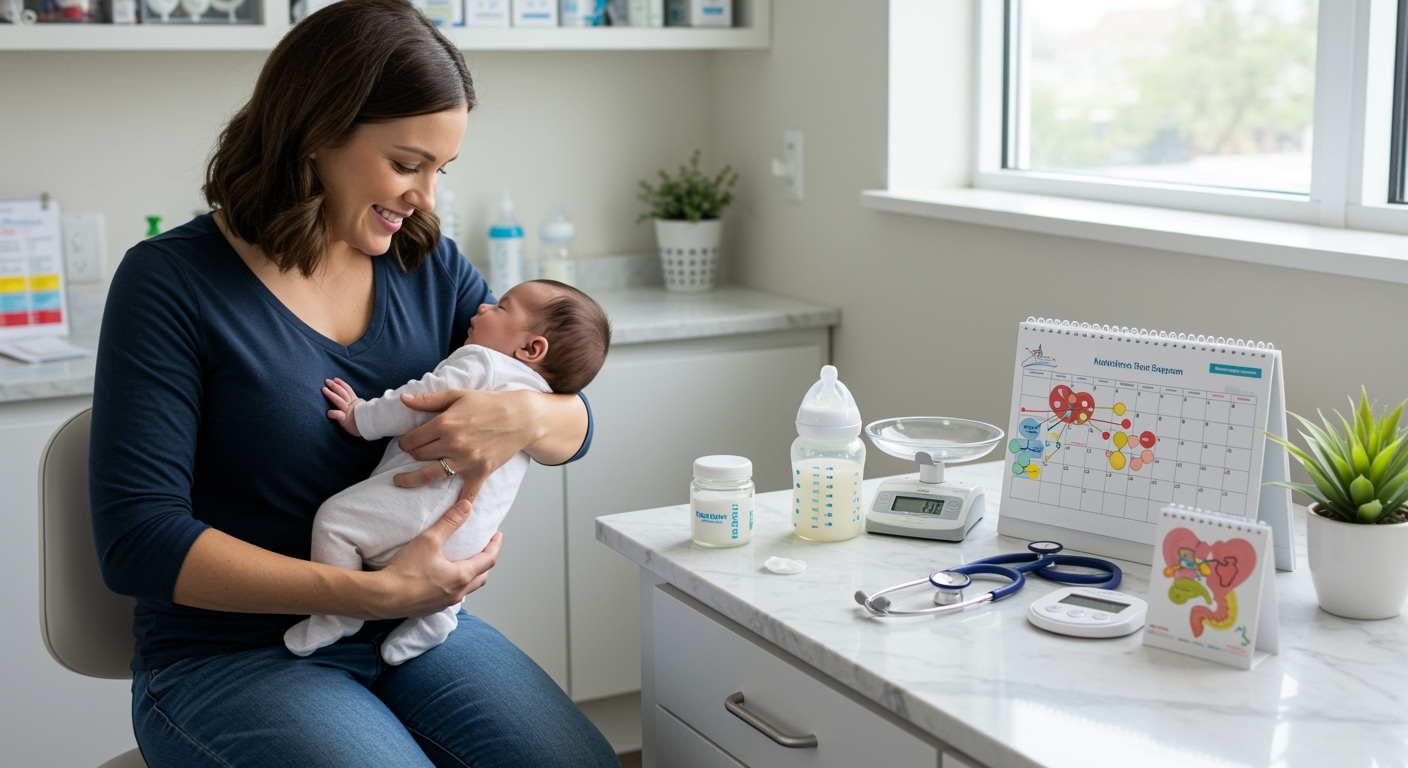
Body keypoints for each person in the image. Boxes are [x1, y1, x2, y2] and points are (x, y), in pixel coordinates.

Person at [87, 0, 620, 765]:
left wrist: (526, 421)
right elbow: (137, 542)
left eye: (441, 170)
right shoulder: (173, 282)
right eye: (407, 165)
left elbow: (571, 416)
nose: (426, 198)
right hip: (228, 658)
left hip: (414, 633)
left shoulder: (423, 262)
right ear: (315, 132)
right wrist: (368, 595)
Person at [285, 280, 611, 665]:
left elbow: (418, 400)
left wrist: (361, 416)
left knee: (336, 521)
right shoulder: (540, 393)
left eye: (501, 307)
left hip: (422, 508)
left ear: (531, 348)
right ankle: (436, 619)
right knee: (435, 575)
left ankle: (337, 612)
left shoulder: (483, 361)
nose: (484, 308)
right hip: (469, 535)